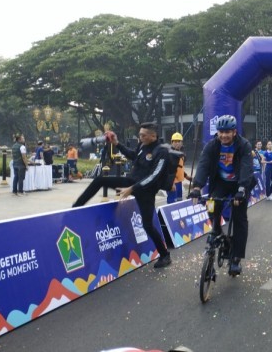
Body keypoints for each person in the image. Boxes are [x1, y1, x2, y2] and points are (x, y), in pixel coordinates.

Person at [72, 123, 173, 268]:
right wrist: (117, 144)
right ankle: (76, 207)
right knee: (100, 180)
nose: (140, 137)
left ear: (153, 136)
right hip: (131, 182)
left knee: (147, 225)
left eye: (143, 135)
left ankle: (165, 255)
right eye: (139, 135)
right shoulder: (142, 146)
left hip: (146, 191)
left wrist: (132, 188)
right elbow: (133, 155)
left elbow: (154, 176)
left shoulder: (161, 152)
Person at [189, 115, 255, 276]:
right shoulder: (212, 146)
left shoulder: (244, 145)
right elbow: (204, 165)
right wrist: (197, 186)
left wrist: (241, 190)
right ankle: (217, 231)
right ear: (217, 132)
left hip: (240, 184)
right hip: (220, 183)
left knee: (239, 218)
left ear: (234, 132)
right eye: (221, 132)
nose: (224, 135)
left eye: (227, 132)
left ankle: (236, 258)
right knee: (212, 206)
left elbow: (246, 168)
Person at [167, 132, 189, 203]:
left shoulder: (181, 154)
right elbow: (167, 170)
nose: (177, 143)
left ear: (182, 143)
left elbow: (179, 168)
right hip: (172, 183)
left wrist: (186, 176)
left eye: (179, 141)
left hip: (179, 182)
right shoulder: (169, 154)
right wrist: (171, 183)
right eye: (175, 141)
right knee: (172, 202)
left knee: (179, 201)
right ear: (172, 142)